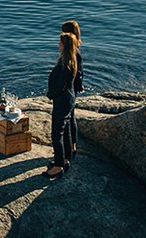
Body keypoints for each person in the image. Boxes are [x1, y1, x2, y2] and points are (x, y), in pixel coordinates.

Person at [43, 32, 79, 179]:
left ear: (64, 46)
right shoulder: (71, 61)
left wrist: (50, 94)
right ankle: (66, 158)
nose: (58, 45)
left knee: (56, 133)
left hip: (62, 102)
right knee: (66, 130)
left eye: (60, 43)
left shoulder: (65, 65)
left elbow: (60, 86)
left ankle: (58, 166)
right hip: (68, 100)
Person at [61, 20, 84, 158]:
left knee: (70, 118)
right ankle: (72, 146)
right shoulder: (76, 49)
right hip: (73, 87)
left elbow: (78, 72)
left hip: (70, 89)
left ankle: (71, 146)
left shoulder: (74, 52)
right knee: (71, 117)